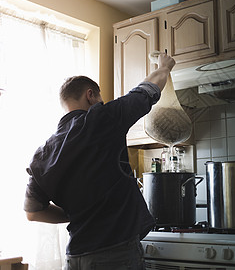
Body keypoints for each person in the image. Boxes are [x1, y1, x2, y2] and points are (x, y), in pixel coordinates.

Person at [23, 53, 176, 270]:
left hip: (75, 258)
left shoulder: (41, 155)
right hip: (115, 254)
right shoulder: (101, 119)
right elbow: (146, 91)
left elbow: (33, 212)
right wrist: (164, 66)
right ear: (90, 95)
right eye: (99, 99)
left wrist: (77, 213)